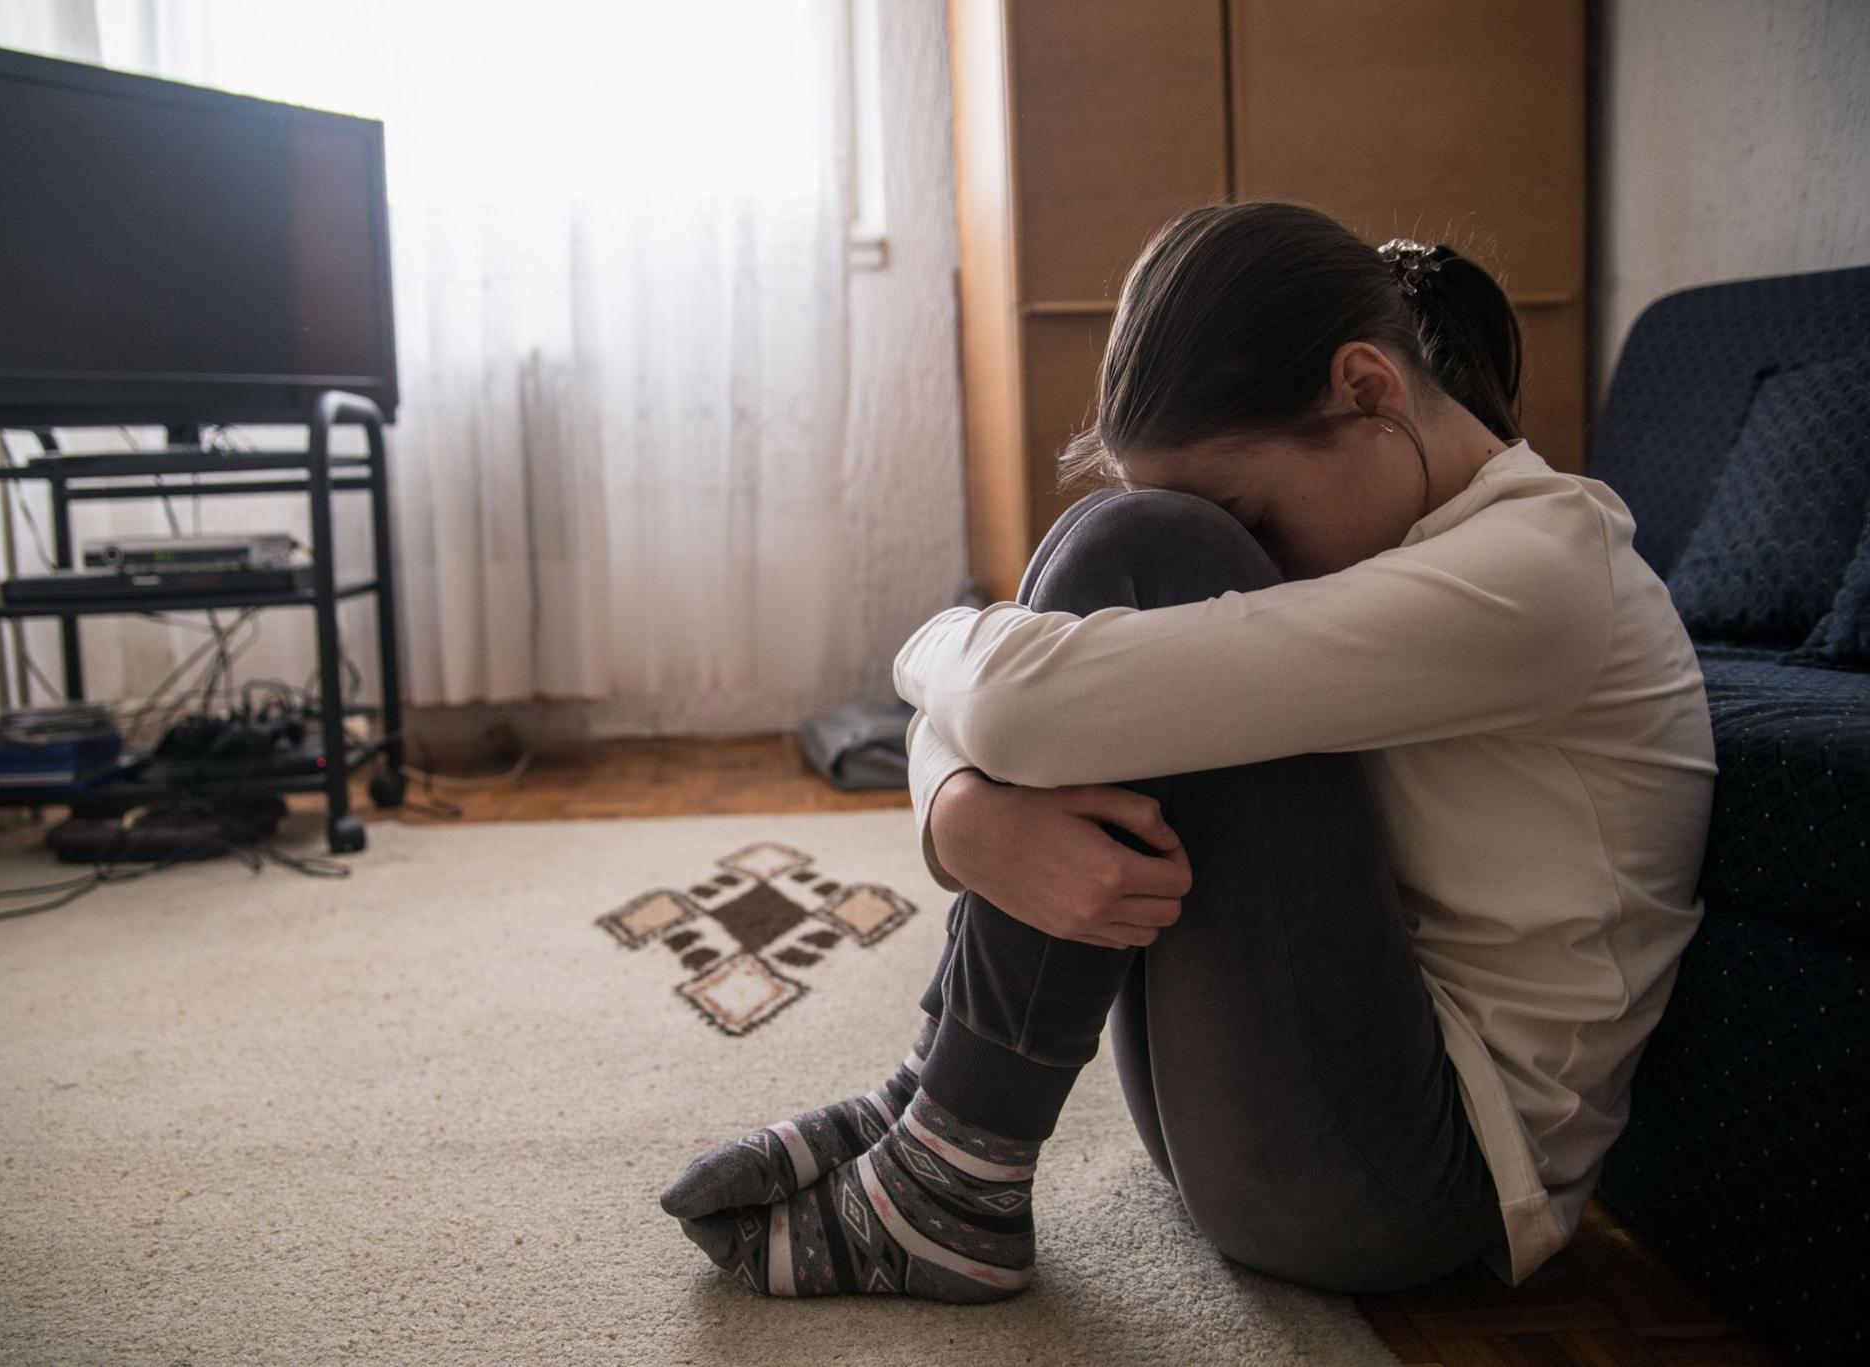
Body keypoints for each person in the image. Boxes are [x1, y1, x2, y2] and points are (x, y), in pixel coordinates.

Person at [659, 199, 1717, 1303]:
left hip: (1407, 1187)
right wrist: (960, 809)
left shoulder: (1535, 579)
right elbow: (1024, 699)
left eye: (1248, 513)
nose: (1243, 559)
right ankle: (940, 1111)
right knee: (1111, 545)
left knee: (1146, 547)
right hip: (1265, 1118)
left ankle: (951, 1153)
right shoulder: (1427, 544)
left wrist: (944, 748)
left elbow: (1021, 705)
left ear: (1367, 389)